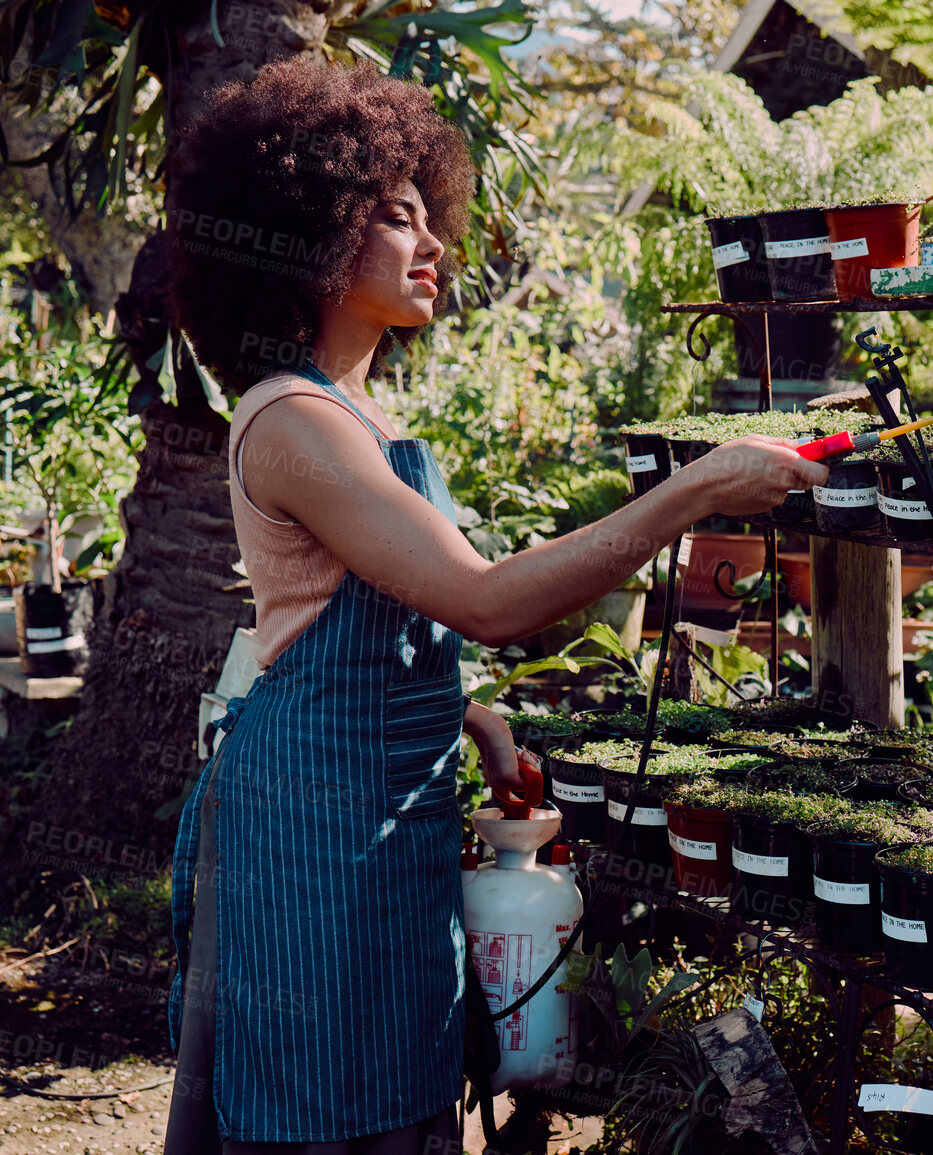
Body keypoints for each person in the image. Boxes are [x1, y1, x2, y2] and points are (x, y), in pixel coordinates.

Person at [162, 56, 824, 1154]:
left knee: (404, 1069)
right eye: (397, 218)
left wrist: (468, 713)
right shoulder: (294, 422)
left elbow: (347, 612)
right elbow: (484, 601)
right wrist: (696, 487)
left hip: (387, 806)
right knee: (325, 1097)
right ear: (311, 232)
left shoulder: (351, 414)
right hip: (314, 826)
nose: (434, 247)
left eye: (432, 219)